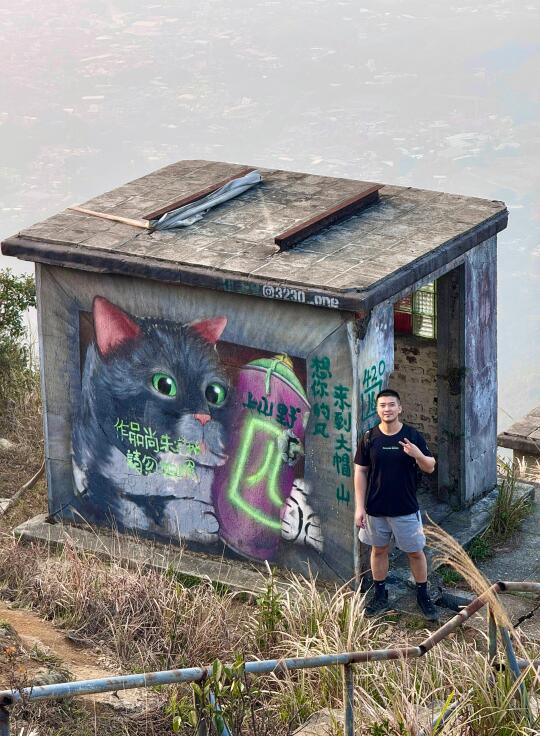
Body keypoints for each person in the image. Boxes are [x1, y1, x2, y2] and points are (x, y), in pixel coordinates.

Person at [354, 389, 438, 620]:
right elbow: (360, 472)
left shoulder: (412, 436)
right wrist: (359, 507)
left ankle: (423, 593)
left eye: (391, 405)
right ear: (377, 409)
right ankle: (380, 593)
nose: (387, 409)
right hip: (375, 508)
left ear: (400, 408)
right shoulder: (369, 438)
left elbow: (430, 466)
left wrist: (416, 453)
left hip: (405, 508)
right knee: (378, 550)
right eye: (382, 405)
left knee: (415, 552)